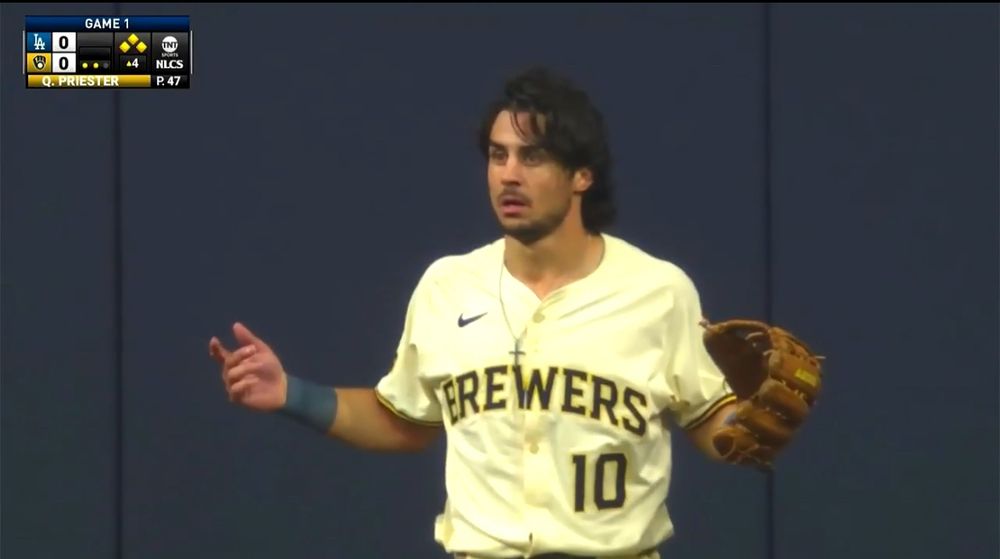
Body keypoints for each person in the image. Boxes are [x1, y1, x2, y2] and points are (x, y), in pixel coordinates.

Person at [209, 67, 743, 559]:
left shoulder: (659, 291)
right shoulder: (447, 285)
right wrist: (290, 394)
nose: (508, 175)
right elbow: (403, 421)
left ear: (582, 175)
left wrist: (752, 422)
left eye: (532, 157)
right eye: (497, 154)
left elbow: (713, 425)